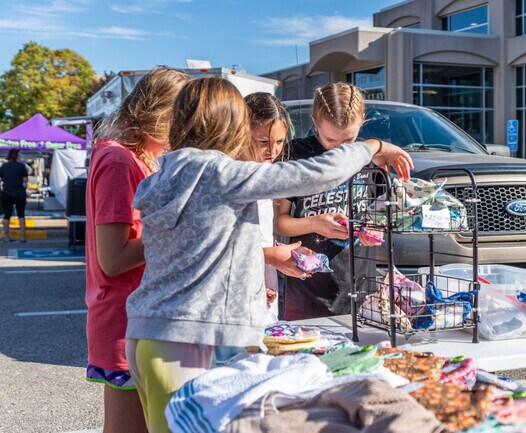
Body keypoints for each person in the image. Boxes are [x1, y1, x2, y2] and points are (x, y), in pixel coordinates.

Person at [124, 77, 412, 433]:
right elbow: (318, 172)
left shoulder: (163, 177)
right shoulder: (219, 174)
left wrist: (257, 275)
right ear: (230, 125)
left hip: (148, 336)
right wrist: (372, 145)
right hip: (186, 343)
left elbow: (200, 250)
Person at [85, 66, 190, 433]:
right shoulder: (118, 160)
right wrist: (177, 228)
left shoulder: (137, 156)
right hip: (124, 323)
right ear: (162, 114)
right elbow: (112, 260)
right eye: (183, 121)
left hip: (142, 319)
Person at [275, 82, 384, 321]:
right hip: (308, 291)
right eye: (330, 140)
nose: (340, 151)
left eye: (348, 140)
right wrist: (314, 224)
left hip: (361, 287)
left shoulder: (367, 158)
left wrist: (372, 230)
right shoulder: (297, 154)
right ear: (314, 122)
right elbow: (279, 222)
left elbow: (376, 214)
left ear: (362, 120)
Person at [244, 92, 311, 317]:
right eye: (263, 142)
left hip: (263, 288)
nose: (272, 151)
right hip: (238, 294)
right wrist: (272, 256)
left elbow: (255, 233)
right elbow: (221, 247)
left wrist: (279, 252)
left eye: (280, 142)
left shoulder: (265, 172)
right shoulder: (233, 180)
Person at [0, 149, 29, 243]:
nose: (20, 156)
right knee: (21, 215)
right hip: (19, 193)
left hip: (6, 193)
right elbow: (25, 179)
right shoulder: (21, 166)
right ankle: (23, 237)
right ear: (16, 155)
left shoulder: (4, 166)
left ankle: (6, 237)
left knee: (6, 216)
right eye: (19, 154)